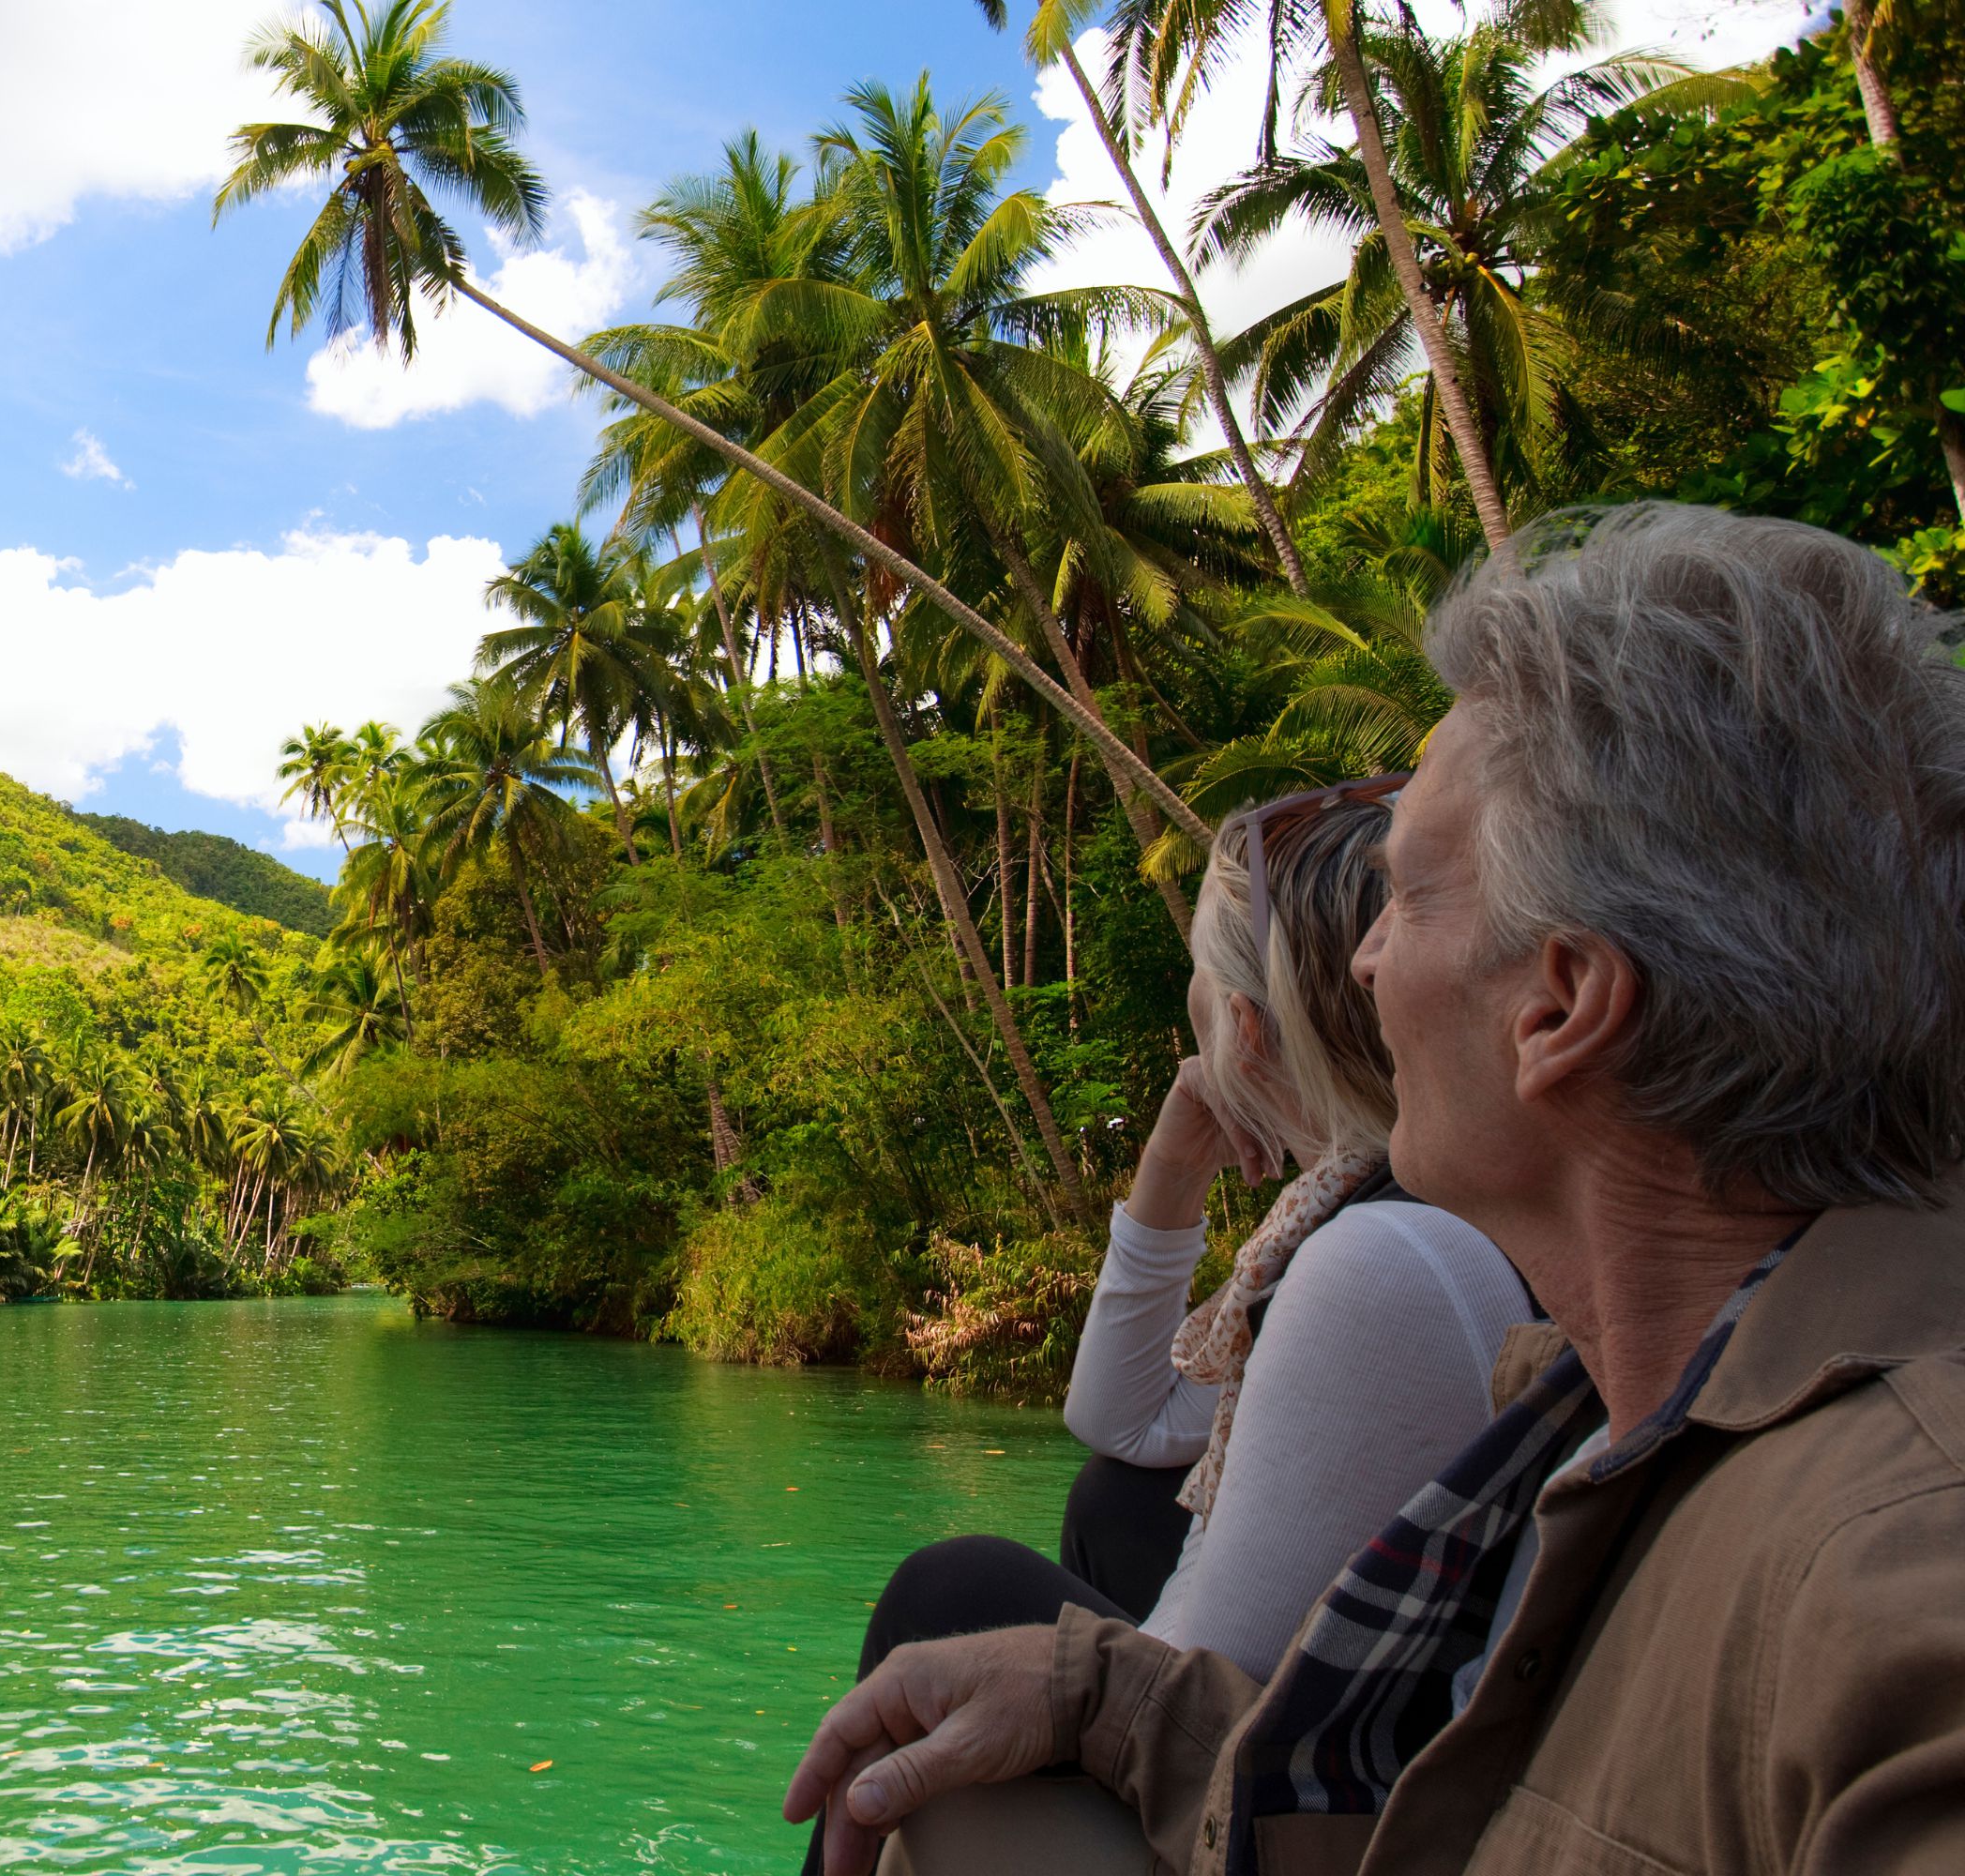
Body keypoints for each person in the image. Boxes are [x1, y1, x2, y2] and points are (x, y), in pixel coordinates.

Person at [785, 503, 1965, 1874]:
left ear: (1560, 1006)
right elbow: (1473, 1808)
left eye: (1405, 898)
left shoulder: (1893, 1573)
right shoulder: (1602, 1407)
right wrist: (1100, 1696)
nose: (1361, 966)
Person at [807, 785, 1534, 1875]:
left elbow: (1185, 1686)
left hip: (1271, 1809)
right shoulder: (1362, 1218)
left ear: (1242, 1026)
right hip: (1344, 1743)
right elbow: (1119, 1420)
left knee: (949, 1591)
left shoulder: (1379, 1259)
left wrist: (1047, 1682)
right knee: (1116, 1498)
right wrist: (1171, 1167)